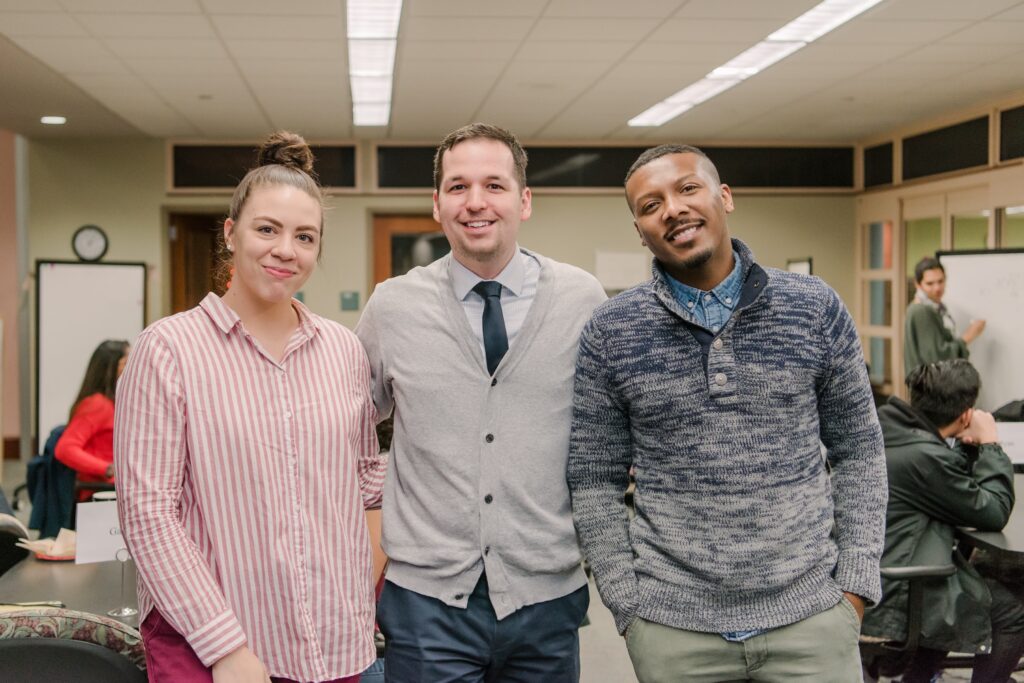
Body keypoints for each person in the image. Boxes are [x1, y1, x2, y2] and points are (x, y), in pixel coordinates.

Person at [567, 144, 887, 682]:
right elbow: (593, 478)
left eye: (687, 189)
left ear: (725, 197)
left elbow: (860, 450)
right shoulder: (612, 331)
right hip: (674, 630)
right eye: (650, 205)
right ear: (640, 229)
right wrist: (628, 606)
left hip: (811, 619)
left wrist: (854, 586)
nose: (671, 209)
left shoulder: (813, 308)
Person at [115, 131, 386, 683]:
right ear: (231, 233)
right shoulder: (168, 349)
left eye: (305, 237)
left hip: (328, 639)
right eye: (268, 229)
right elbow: (148, 514)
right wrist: (226, 648)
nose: (286, 249)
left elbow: (366, 483)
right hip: (207, 641)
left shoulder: (342, 349)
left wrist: (357, 593)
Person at [355, 122, 606, 682]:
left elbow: (608, 437)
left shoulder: (582, 299)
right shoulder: (392, 307)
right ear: (437, 204)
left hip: (546, 595)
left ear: (524, 200)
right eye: (457, 186)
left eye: (493, 185)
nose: (476, 203)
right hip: (426, 602)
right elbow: (348, 429)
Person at [862, 359, 1024, 682]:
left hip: (872, 581)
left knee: (980, 577)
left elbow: (950, 484)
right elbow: (993, 511)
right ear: (966, 414)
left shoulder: (888, 428)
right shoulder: (924, 457)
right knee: (1014, 606)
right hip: (897, 599)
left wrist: (966, 447)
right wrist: (991, 444)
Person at [55, 339, 129, 499]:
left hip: (115, 488)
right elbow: (65, 449)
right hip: (101, 493)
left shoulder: (113, 402)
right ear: (110, 368)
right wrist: (108, 468)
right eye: (126, 362)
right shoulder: (98, 404)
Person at [904, 256, 985, 373]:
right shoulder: (921, 310)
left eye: (940, 281)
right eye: (930, 283)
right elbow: (937, 358)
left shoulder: (934, 306)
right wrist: (968, 336)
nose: (937, 288)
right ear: (918, 284)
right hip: (931, 387)